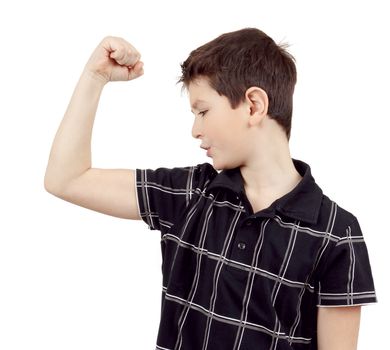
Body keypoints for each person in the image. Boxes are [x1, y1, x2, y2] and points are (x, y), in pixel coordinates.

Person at [44, 28, 377, 349]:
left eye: (203, 111)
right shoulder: (191, 193)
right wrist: (94, 78)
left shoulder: (336, 234)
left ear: (253, 106)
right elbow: (66, 179)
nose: (195, 129)